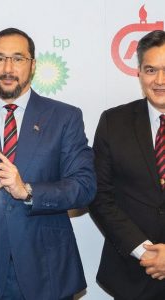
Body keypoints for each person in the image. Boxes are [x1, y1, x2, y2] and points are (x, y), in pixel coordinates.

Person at [0, 28, 96, 300]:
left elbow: (84, 187)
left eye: (18, 58)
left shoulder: (65, 117)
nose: (8, 68)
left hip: (46, 270)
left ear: (33, 65)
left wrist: (28, 190)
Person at [89, 30, 165, 300]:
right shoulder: (114, 122)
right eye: (151, 70)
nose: (160, 80)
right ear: (139, 73)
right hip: (130, 276)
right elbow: (99, 195)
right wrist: (143, 251)